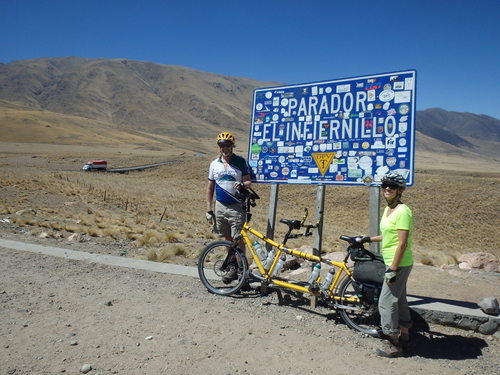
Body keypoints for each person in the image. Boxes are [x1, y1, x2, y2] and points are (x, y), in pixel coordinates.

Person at [365, 172, 414, 357]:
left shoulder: (403, 211)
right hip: (393, 261)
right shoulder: (388, 209)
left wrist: (393, 269)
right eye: (385, 184)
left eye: (392, 186)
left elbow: (402, 243)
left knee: (386, 303)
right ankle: (406, 337)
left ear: (400, 190)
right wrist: (368, 238)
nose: (387, 188)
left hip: (399, 263)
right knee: (399, 300)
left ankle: (394, 344)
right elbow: (388, 235)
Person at [206, 132, 252, 276]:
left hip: (237, 206)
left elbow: (248, 182)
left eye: (227, 145)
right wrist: (208, 210)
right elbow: (210, 188)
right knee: (227, 239)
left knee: (238, 239)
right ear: (219, 147)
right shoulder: (214, 164)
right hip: (220, 206)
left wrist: (243, 184)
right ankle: (232, 268)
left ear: (232, 146)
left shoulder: (240, 161)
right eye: (222, 145)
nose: (224, 148)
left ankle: (242, 268)